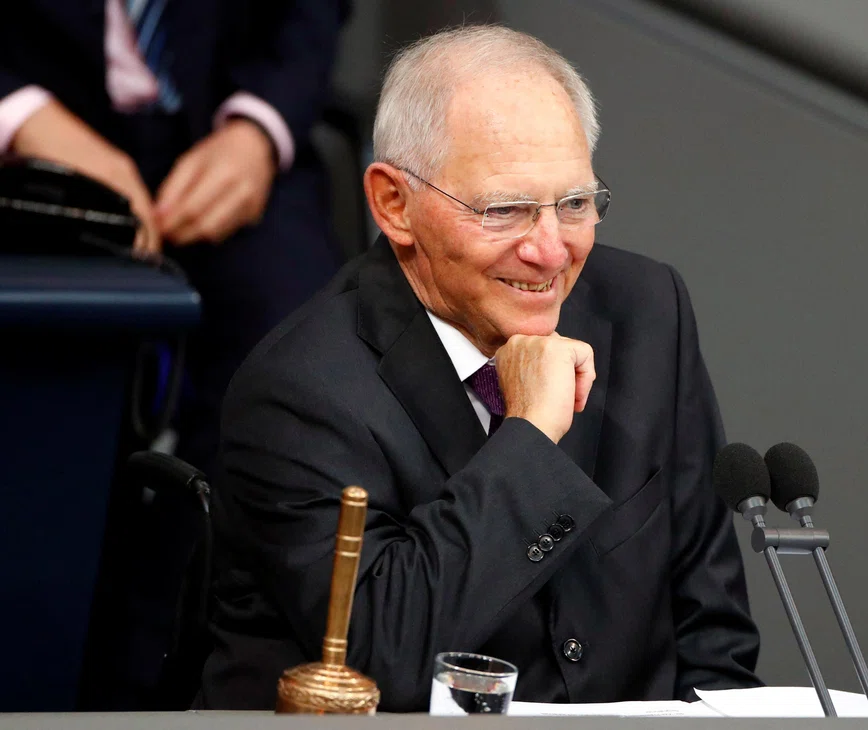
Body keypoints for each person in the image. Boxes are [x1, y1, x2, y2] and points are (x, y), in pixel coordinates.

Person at [199, 25, 762, 711]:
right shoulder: (299, 393)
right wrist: (529, 436)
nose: (551, 251)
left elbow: (714, 638)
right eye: (506, 210)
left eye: (575, 203)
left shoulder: (647, 313)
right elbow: (388, 663)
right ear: (393, 204)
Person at [0, 0, 348, 707]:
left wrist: (260, 127)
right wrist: (19, 113)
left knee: (301, 357)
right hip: (28, 120)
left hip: (223, 125)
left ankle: (183, 680)